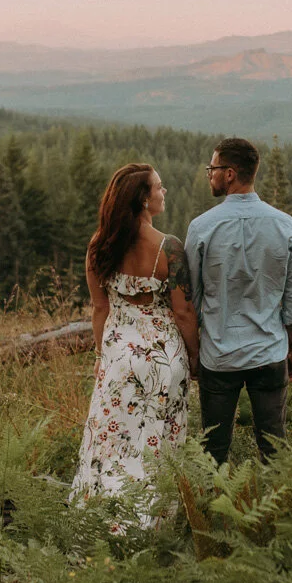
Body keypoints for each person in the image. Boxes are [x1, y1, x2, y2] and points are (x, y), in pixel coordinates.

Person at [70, 163, 200, 528]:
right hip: (163, 360)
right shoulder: (168, 247)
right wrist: (194, 359)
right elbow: (185, 312)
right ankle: (151, 528)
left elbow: (100, 307)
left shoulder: (99, 246)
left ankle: (105, 525)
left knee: (112, 447)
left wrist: (101, 356)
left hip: (118, 358)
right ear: (144, 199)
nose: (164, 192)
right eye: (159, 187)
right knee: (157, 446)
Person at [185, 137, 292, 465]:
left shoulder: (201, 228)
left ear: (230, 174)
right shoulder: (286, 226)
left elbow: (190, 300)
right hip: (269, 353)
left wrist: (194, 354)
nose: (209, 173)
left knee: (214, 452)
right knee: (274, 450)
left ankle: (212, 513)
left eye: (213, 168)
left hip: (218, 356)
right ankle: (276, 512)